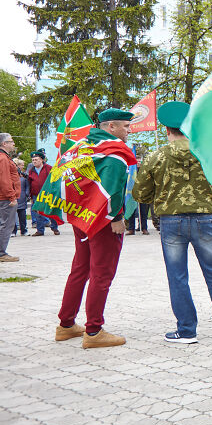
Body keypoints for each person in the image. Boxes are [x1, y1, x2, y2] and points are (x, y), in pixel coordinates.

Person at [133, 101, 212, 344]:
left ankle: (186, 330)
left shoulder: (156, 156)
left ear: (167, 130)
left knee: (177, 276)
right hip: (204, 218)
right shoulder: (206, 153)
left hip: (171, 222)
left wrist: (162, 196)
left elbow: (140, 194)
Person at [55, 109, 136, 348]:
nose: (129, 131)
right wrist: (117, 217)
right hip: (103, 220)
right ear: (111, 127)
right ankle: (93, 331)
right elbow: (114, 188)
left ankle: (66, 325)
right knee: (102, 273)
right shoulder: (115, 152)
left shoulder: (81, 147)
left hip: (82, 216)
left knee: (80, 269)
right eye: (125, 126)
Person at [27, 149, 60, 236]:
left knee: (51, 211)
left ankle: (54, 228)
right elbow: (30, 183)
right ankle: (40, 230)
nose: (34, 161)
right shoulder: (31, 170)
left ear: (41, 160)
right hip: (36, 195)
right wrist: (31, 196)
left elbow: (55, 180)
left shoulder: (48, 168)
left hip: (48, 194)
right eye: (33, 160)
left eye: (36, 159)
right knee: (38, 213)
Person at [0, 134, 21, 262]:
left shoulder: (5, 157)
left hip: (4, 197)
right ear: (4, 144)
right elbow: (4, 180)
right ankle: (1, 253)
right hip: (6, 198)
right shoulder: (3, 158)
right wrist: (11, 196)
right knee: (6, 225)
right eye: (11, 141)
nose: (13, 143)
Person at [126, 155, 151, 235]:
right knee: (131, 211)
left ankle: (144, 228)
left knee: (143, 212)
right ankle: (131, 229)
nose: (138, 163)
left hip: (142, 194)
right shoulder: (131, 171)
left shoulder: (144, 171)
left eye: (140, 161)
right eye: (137, 162)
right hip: (132, 193)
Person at [14, 159, 29, 236]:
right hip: (13, 199)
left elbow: (27, 187)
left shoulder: (23, 179)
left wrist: (26, 194)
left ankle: (24, 230)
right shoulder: (11, 179)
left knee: (22, 217)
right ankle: (13, 231)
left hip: (22, 199)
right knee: (13, 217)